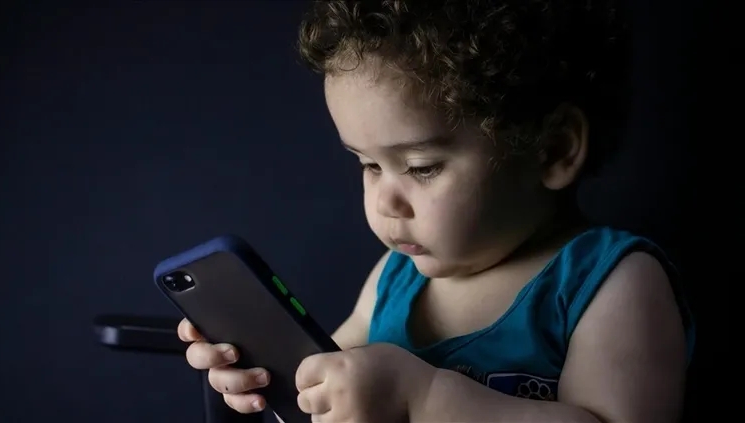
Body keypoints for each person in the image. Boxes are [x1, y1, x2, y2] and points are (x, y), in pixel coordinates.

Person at [178, 0, 695, 421]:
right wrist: (264, 376)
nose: (385, 202)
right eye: (369, 165)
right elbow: (323, 388)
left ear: (552, 149)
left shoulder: (608, 284)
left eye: (421, 167)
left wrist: (425, 400)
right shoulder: (394, 278)